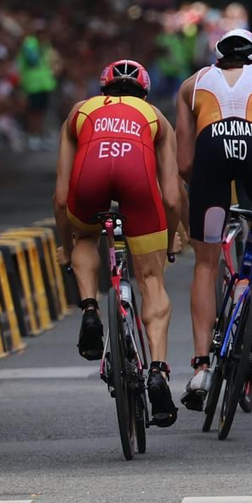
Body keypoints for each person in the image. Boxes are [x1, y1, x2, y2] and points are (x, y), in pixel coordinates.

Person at [53, 59, 185, 426]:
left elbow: (61, 199)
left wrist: (67, 244)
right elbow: (172, 197)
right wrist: (170, 237)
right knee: (152, 282)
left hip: (90, 179)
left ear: (102, 89)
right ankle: (157, 370)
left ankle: (92, 309)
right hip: (138, 184)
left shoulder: (80, 112)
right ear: (144, 90)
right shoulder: (156, 116)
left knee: (86, 235)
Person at [173, 28, 252, 411]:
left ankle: (202, 366)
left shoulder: (193, 83)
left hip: (211, 152)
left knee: (205, 264)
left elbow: (184, 163)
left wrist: (202, 190)